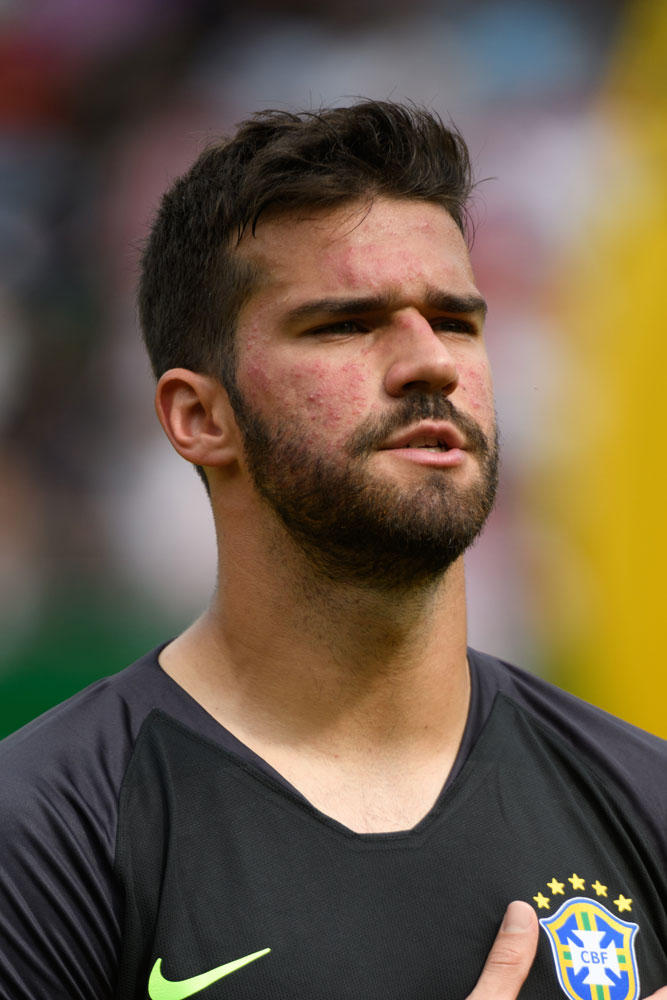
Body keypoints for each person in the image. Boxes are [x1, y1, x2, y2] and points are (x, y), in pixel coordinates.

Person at [1, 101, 666, 1000]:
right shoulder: (48, 828)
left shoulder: (643, 798)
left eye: (456, 320)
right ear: (199, 417)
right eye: (347, 324)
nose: (430, 362)